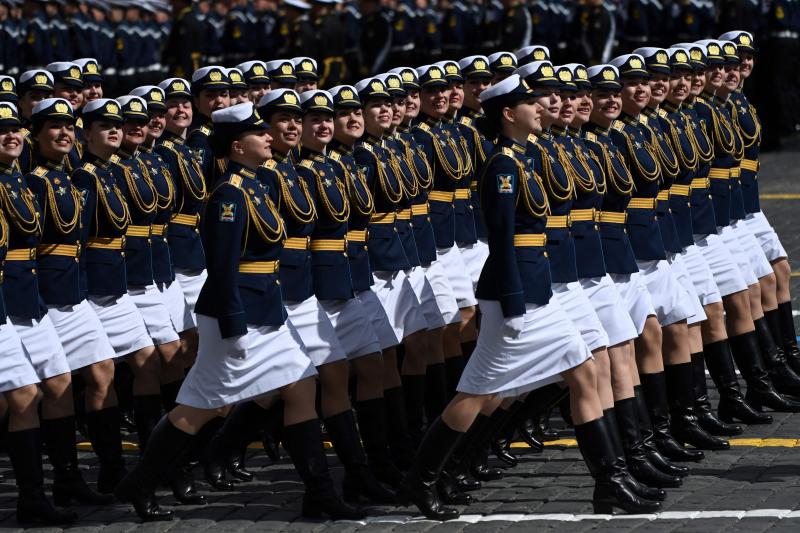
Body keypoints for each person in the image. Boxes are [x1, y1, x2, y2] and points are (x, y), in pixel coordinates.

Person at [398, 74, 659, 521]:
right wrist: (514, 302)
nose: (540, 108)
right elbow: (500, 239)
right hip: (514, 294)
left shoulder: (523, 157)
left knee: (583, 373)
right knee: (478, 393)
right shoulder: (502, 165)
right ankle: (421, 480)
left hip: (538, 288)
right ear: (507, 113)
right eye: (530, 104)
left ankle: (611, 481)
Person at [114, 102, 362, 522]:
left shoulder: (255, 185)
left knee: (302, 386)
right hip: (238, 315)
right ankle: (140, 484)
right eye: (258, 133)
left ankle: (319, 493)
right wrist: (233, 324)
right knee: (199, 406)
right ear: (237, 146)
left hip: (265, 309)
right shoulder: (228, 196)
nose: (269, 137)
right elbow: (223, 266)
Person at [0, 99, 77, 527]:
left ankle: (54, 486)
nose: (11, 135)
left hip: (24, 298)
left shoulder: (13, 181)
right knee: (24, 395)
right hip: (7, 302)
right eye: (1, 130)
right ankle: (30, 499)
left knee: (52, 384)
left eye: (15, 129)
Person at [720, 30, 800, 376]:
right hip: (727, 212)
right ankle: (771, 367)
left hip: (748, 206)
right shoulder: (717, 106)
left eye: (746, 60)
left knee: (779, 269)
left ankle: (786, 355)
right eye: (733, 63)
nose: (742, 67)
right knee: (757, 283)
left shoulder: (741, 102)